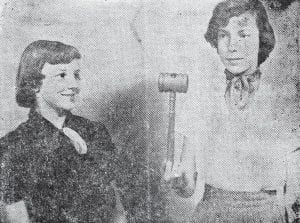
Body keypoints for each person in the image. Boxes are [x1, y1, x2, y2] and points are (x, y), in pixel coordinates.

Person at [166, 0, 299, 222]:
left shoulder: (284, 100)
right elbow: (188, 187)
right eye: (223, 35)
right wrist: (176, 180)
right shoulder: (201, 98)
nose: (232, 46)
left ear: (261, 39)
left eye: (243, 35)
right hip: (211, 215)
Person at [0, 40, 126, 222]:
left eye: (76, 75)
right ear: (35, 84)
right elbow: (17, 217)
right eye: (62, 75)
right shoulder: (12, 146)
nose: (74, 85)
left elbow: (117, 212)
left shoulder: (94, 132)